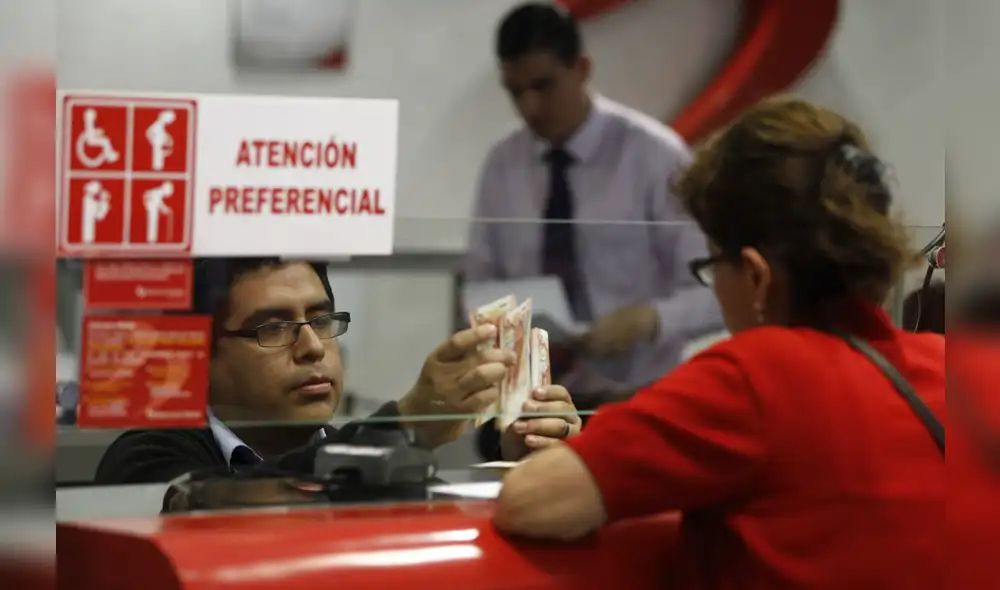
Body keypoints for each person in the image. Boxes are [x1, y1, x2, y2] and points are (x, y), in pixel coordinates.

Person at [494, 98, 946, 589]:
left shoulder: (755, 374)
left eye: (711, 266)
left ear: (755, 276)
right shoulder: (945, 366)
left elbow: (529, 501)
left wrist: (585, 459)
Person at [95, 258, 580, 501]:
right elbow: (226, 510)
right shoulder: (147, 459)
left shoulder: (383, 463)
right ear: (200, 357)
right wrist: (407, 425)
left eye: (321, 321)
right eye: (273, 327)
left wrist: (535, 473)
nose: (311, 347)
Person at [464, 3, 723, 402]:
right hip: (533, 398)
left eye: (543, 85)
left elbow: (716, 290)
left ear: (582, 68)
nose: (529, 107)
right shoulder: (502, 165)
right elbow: (481, 285)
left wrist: (649, 320)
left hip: (642, 395)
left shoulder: (654, 157)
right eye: (516, 92)